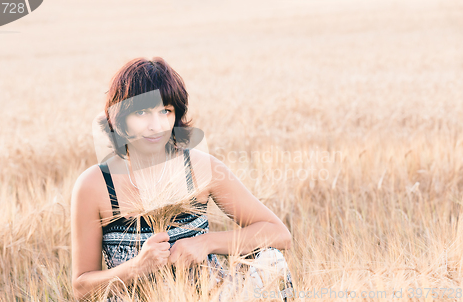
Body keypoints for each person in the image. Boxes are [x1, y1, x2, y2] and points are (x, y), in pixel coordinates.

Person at [70, 57, 295, 301]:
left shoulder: (200, 167)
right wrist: (135, 268)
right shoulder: (95, 185)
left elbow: (279, 234)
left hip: (211, 296)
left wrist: (205, 243)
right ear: (119, 119)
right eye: (142, 112)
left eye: (165, 111)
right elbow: (81, 288)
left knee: (271, 262)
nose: (156, 126)